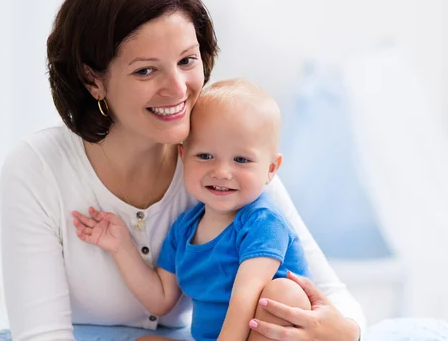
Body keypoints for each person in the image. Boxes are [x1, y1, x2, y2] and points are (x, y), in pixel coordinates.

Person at [0, 0, 365, 341]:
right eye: (146, 70)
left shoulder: (231, 161)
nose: (178, 89)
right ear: (93, 80)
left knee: (284, 295)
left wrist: (345, 333)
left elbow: (333, 298)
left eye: (187, 60)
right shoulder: (37, 168)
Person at [72, 79, 312, 341]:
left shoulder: (263, 223)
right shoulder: (185, 228)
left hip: (264, 333)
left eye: (241, 160)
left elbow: (246, 295)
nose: (221, 172)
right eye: (205, 156)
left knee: (282, 294)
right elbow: (161, 299)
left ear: (270, 170)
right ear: (183, 156)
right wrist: (121, 247)